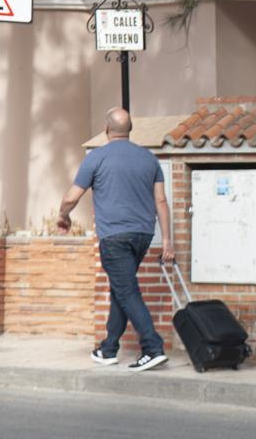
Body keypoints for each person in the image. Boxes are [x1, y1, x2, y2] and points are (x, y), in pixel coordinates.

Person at [58, 107, 173, 372]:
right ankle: (108, 348)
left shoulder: (96, 157)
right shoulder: (149, 159)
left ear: (107, 129)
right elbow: (161, 202)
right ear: (129, 130)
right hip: (143, 235)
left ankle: (153, 347)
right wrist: (167, 241)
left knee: (126, 290)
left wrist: (63, 216)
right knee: (121, 289)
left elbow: (71, 197)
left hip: (115, 237)